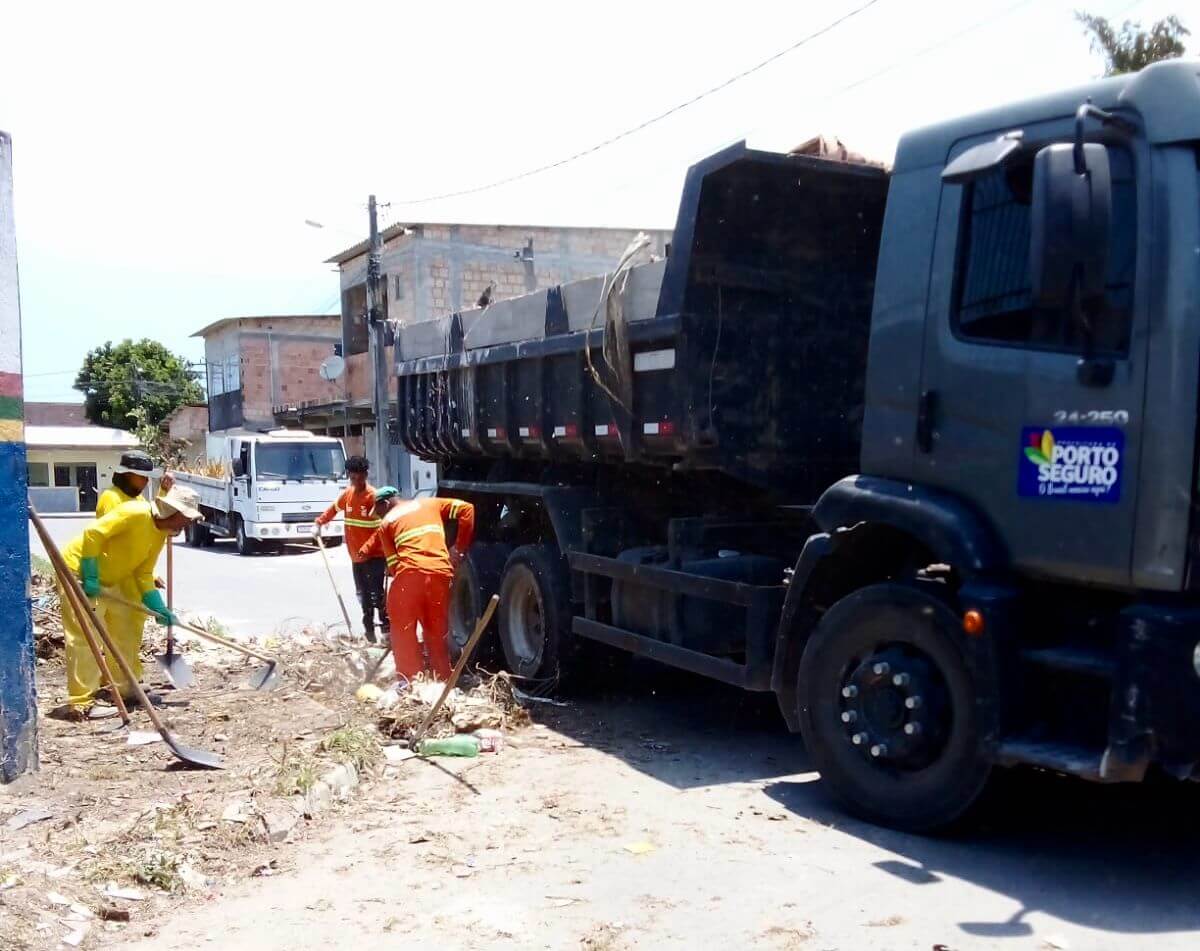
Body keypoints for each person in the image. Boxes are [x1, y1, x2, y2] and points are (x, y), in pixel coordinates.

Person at [57, 485, 203, 719]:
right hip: (79, 572)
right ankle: (82, 702)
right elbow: (93, 534)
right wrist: (91, 575)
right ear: (170, 511)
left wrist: (158, 607)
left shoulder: (160, 533)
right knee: (86, 637)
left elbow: (144, 572)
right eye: (184, 518)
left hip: (113, 576)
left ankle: (125, 689)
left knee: (125, 630)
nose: (186, 525)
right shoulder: (135, 512)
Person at [371, 487, 475, 680]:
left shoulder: (386, 524)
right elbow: (467, 509)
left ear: (385, 504)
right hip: (440, 572)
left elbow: (394, 568)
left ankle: (410, 682)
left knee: (402, 629)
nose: (378, 516)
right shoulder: (429, 503)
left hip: (410, 573)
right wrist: (459, 549)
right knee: (436, 630)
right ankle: (442, 679)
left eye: (377, 511)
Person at [95, 451, 175, 668]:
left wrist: (164, 492)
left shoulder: (137, 499)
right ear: (126, 474)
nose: (145, 480)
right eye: (141, 476)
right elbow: (122, 542)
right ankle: (121, 684)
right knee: (121, 633)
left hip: (132, 576)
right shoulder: (111, 499)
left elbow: (153, 519)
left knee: (132, 631)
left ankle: (129, 678)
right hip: (116, 577)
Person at [312, 455, 387, 641]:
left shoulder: (373, 497)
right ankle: (369, 632)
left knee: (377, 594)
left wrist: (368, 548)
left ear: (366, 475)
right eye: (353, 478)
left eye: (360, 478)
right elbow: (333, 509)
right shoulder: (348, 495)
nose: (356, 482)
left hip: (374, 557)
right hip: (356, 557)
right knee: (362, 595)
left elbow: (382, 529)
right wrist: (319, 523)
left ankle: (387, 631)